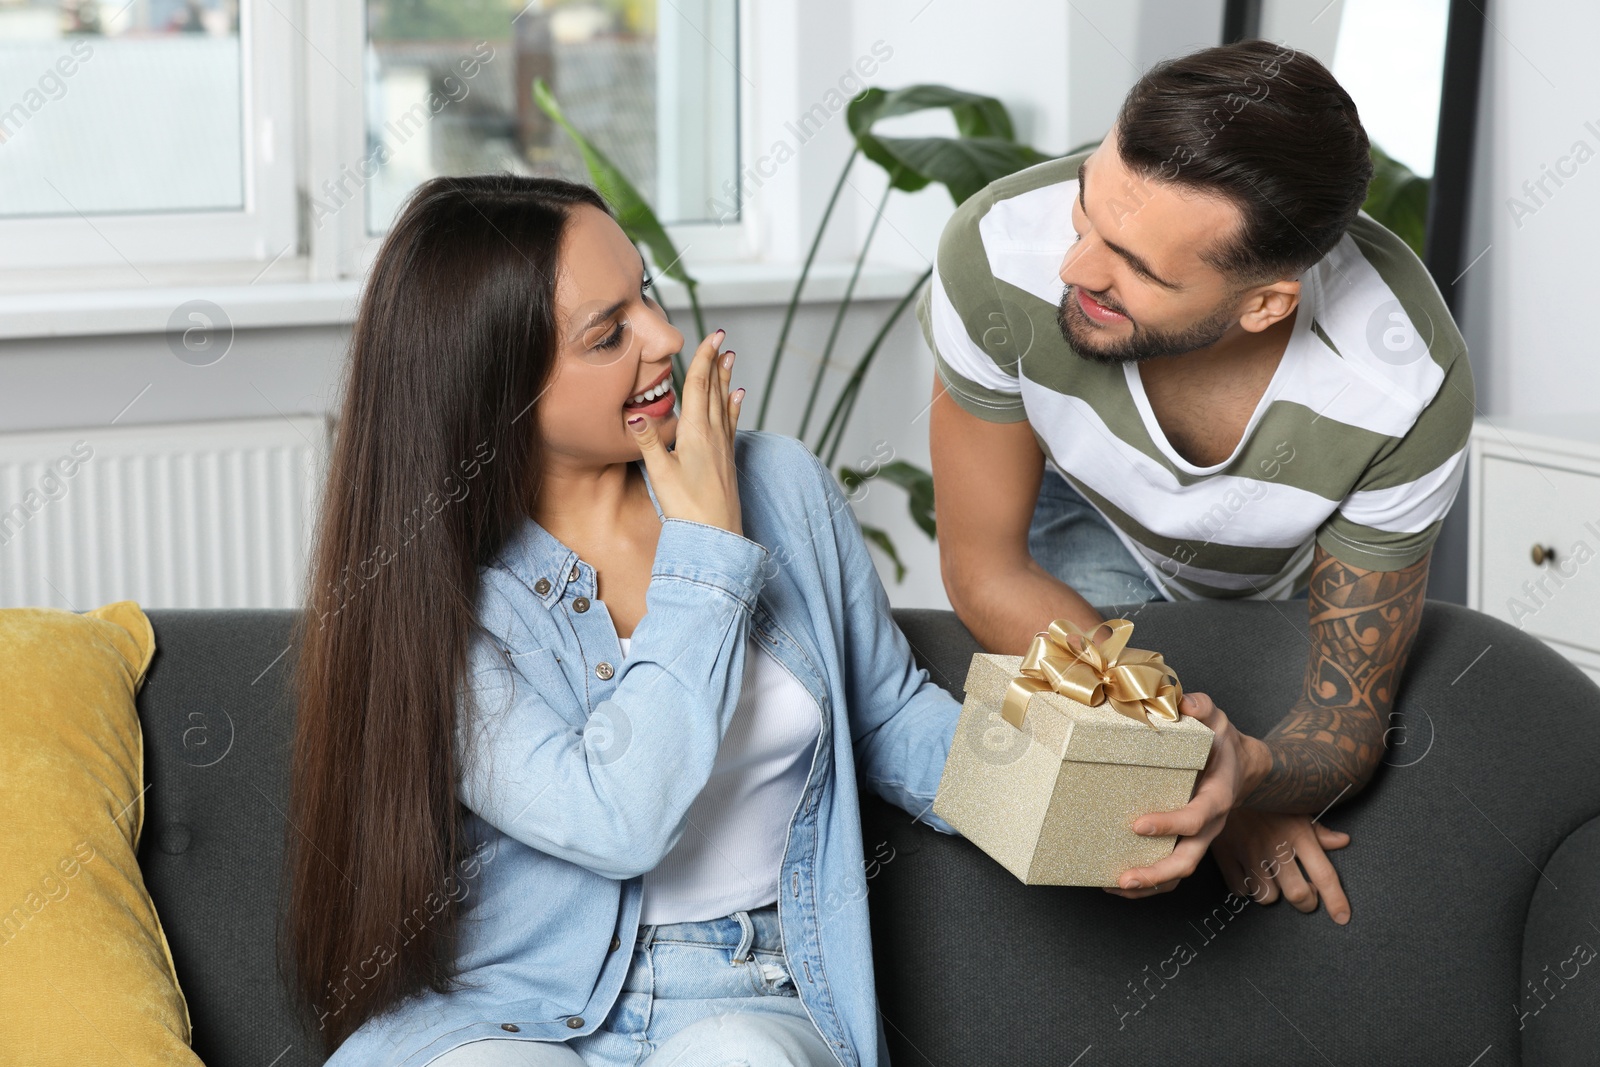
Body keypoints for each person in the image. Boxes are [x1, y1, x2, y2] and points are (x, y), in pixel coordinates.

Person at [283, 175, 963, 1067]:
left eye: (646, 292)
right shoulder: (441, 601)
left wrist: (1115, 792)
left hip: (747, 994)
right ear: (496, 387)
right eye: (608, 335)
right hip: (511, 1011)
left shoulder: (785, 488)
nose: (666, 338)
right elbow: (618, 820)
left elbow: (894, 718)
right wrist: (709, 551)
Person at [923, 40, 1473, 924]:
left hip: (1289, 579)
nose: (1071, 269)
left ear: (1266, 304)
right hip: (1085, 521)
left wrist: (1247, 773)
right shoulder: (998, 250)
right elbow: (985, 568)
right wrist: (1187, 768)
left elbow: (1345, 724)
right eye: (1087, 211)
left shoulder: (1404, 388)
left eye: (1136, 268)